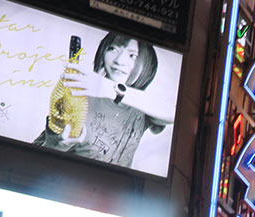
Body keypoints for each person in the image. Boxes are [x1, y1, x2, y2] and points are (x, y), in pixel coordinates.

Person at [36, 31, 176, 171]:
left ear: (147, 63)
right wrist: (55, 144)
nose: (119, 61)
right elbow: (39, 154)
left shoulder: (144, 107)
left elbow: (175, 114)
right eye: (113, 49)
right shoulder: (80, 97)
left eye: (132, 55)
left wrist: (111, 89)